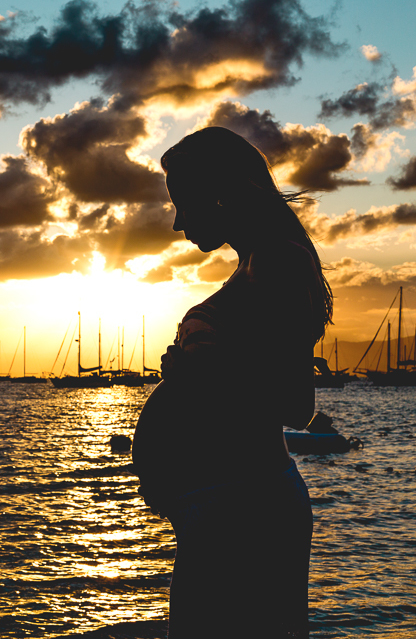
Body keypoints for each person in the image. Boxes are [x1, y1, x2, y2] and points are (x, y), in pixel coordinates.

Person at [132, 127, 332, 638]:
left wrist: (200, 367)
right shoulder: (257, 262)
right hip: (228, 509)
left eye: (183, 204)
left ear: (220, 194)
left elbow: (293, 400)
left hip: (245, 511)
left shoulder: (277, 260)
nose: (177, 223)